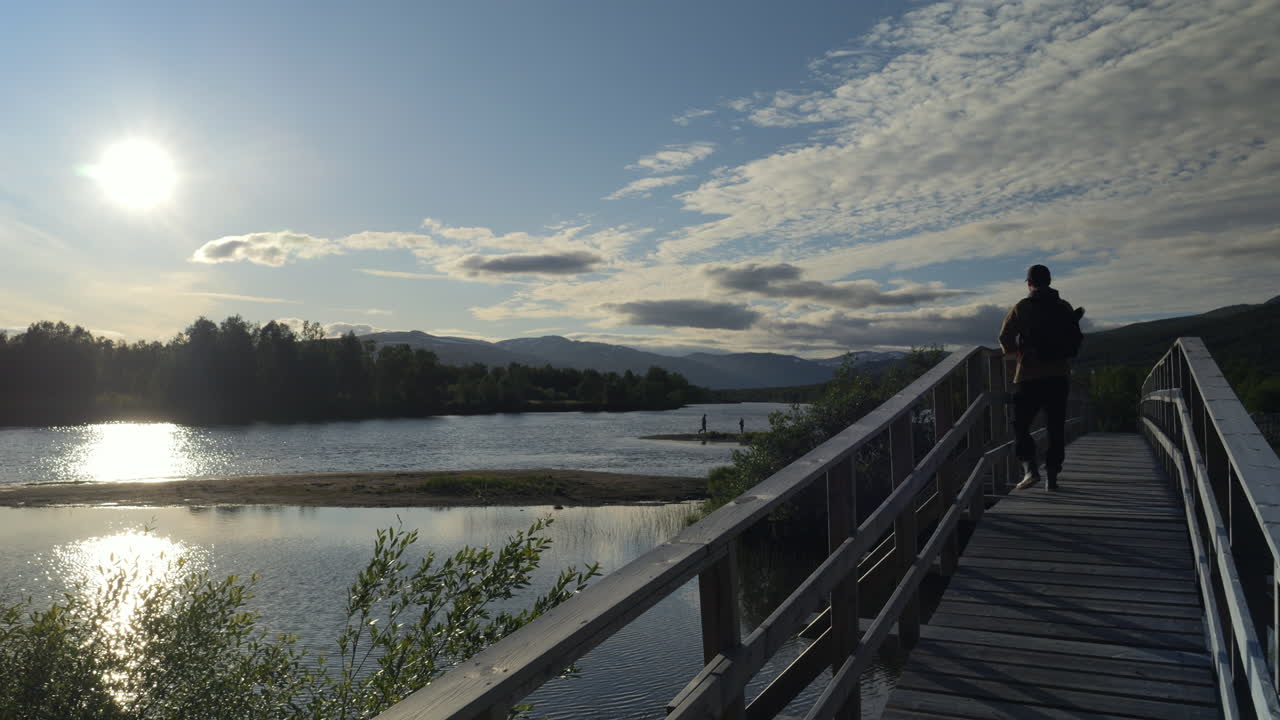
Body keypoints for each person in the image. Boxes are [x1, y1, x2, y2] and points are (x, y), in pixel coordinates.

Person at [998, 264, 1084, 491]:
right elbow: (1073, 339)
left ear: (1029, 283)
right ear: (1050, 281)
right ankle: (1052, 476)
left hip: (1029, 375)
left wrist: (1016, 353)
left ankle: (1030, 468)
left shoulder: (1022, 307)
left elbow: (1004, 337)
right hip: (1058, 375)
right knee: (1055, 426)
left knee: (1020, 424)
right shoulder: (1064, 306)